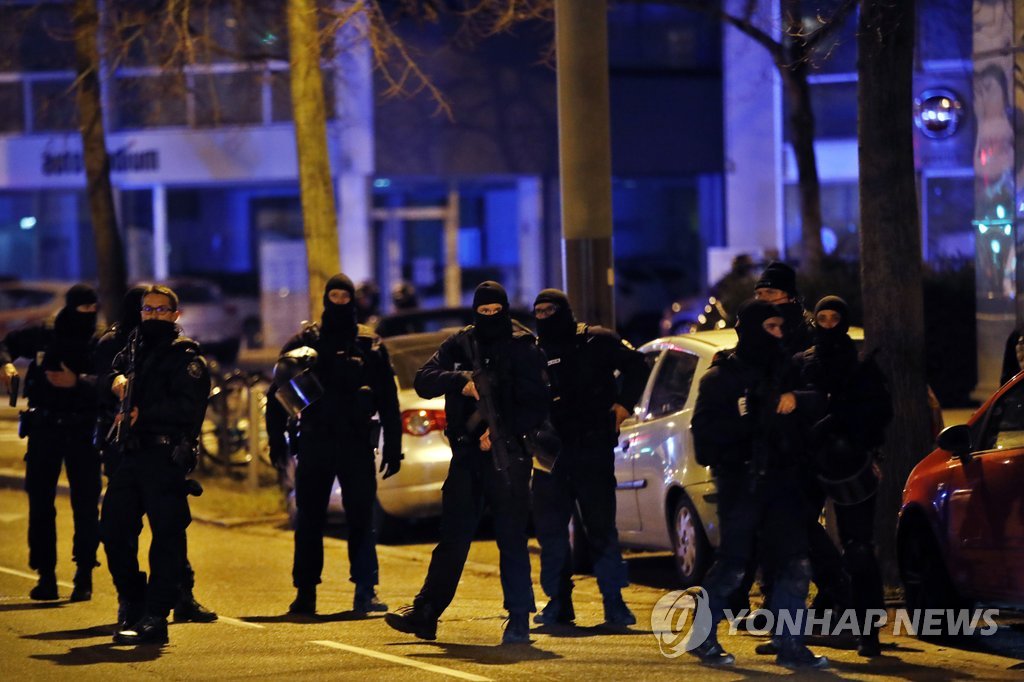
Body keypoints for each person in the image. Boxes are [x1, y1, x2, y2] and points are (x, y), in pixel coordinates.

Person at [385, 281, 548, 644]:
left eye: (495, 311)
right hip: (466, 456)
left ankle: (519, 616)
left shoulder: (522, 346)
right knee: (453, 537)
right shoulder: (460, 344)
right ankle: (426, 612)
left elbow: (537, 403)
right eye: (483, 311)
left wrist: (502, 432)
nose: (490, 317)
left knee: (511, 538)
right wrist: (461, 381)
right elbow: (424, 380)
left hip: (509, 456)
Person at [689, 300, 827, 669]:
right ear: (751, 330)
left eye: (780, 327)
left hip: (784, 482)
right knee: (734, 566)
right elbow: (705, 443)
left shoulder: (787, 370)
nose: (778, 334)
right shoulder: (721, 379)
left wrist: (794, 400)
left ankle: (790, 644)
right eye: (770, 327)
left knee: (795, 563)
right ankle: (701, 636)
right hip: (741, 484)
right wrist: (749, 421)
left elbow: (819, 402)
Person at [265, 273, 403, 616]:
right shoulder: (305, 341)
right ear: (326, 299)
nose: (339, 302)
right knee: (309, 519)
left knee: (362, 518)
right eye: (334, 296)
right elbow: (277, 393)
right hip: (315, 440)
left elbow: (388, 398)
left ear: (353, 299)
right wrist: (275, 441)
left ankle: (366, 590)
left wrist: (393, 443)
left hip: (355, 441)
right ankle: (305, 593)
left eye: (345, 296)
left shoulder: (369, 344)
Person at [94, 285, 217, 625]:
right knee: (113, 531)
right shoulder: (132, 350)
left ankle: (157, 614)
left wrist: (143, 413)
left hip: (164, 455)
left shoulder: (186, 357)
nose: (154, 315)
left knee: (167, 538)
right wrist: (115, 382)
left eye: (162, 310)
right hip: (129, 455)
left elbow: (189, 409)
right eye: (148, 309)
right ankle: (133, 599)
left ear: (175, 315)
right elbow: (105, 379)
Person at [529, 288, 648, 626]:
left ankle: (614, 603)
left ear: (565, 311)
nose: (544, 317)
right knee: (551, 533)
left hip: (592, 448)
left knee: (601, 529)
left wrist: (624, 405)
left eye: (550, 310)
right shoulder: (534, 352)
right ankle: (558, 603)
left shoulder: (596, 341)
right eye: (538, 312)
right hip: (550, 454)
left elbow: (637, 365)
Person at [797, 296, 891, 657]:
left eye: (834, 318)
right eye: (822, 318)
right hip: (811, 460)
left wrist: (846, 427)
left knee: (859, 546)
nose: (828, 324)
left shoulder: (862, 366)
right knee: (798, 529)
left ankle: (867, 630)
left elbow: (880, 412)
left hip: (851, 461)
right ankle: (838, 598)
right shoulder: (805, 362)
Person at [0, 284, 102, 602]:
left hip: (83, 430)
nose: (88, 315)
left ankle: (84, 573)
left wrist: (78, 382)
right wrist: (6, 364)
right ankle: (45, 575)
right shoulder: (45, 334)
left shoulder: (99, 340)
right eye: (83, 309)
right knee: (40, 504)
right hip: (44, 428)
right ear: (70, 308)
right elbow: (6, 344)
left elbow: (111, 382)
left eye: (93, 309)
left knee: (86, 505)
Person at [753, 261, 814, 355]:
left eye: (770, 292)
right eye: (759, 293)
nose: (762, 298)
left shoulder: (805, 329)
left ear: (790, 296)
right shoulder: (753, 326)